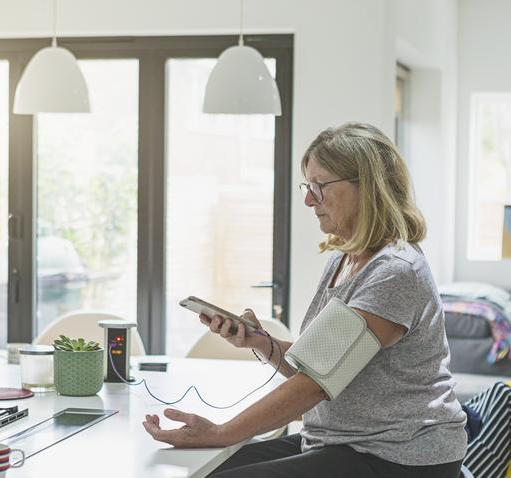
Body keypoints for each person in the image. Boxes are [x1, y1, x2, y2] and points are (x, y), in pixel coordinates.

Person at [142, 123, 467, 477]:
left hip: (398, 456)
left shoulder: (396, 271)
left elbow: (314, 384)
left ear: (367, 187)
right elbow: (319, 366)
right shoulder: (343, 260)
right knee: (202, 468)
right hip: (339, 442)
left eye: (319, 186)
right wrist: (261, 343)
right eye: (307, 186)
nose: (309, 199)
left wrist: (222, 432)